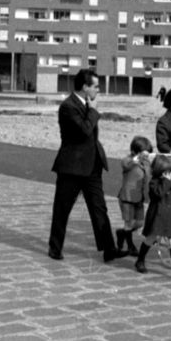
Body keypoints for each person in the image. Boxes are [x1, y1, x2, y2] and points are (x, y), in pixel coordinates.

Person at [48, 68, 127, 262]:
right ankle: (55, 248)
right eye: (96, 86)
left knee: (99, 208)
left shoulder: (86, 105)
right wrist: (93, 110)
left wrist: (91, 110)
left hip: (92, 166)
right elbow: (84, 130)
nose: (98, 90)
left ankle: (109, 249)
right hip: (72, 167)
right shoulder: (68, 106)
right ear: (85, 87)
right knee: (62, 209)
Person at [115, 136, 154, 256]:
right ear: (135, 152)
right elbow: (125, 164)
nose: (145, 157)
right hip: (127, 198)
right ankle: (130, 245)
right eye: (143, 154)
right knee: (128, 222)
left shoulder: (145, 164)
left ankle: (122, 233)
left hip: (139, 198)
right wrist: (136, 159)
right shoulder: (128, 161)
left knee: (139, 223)